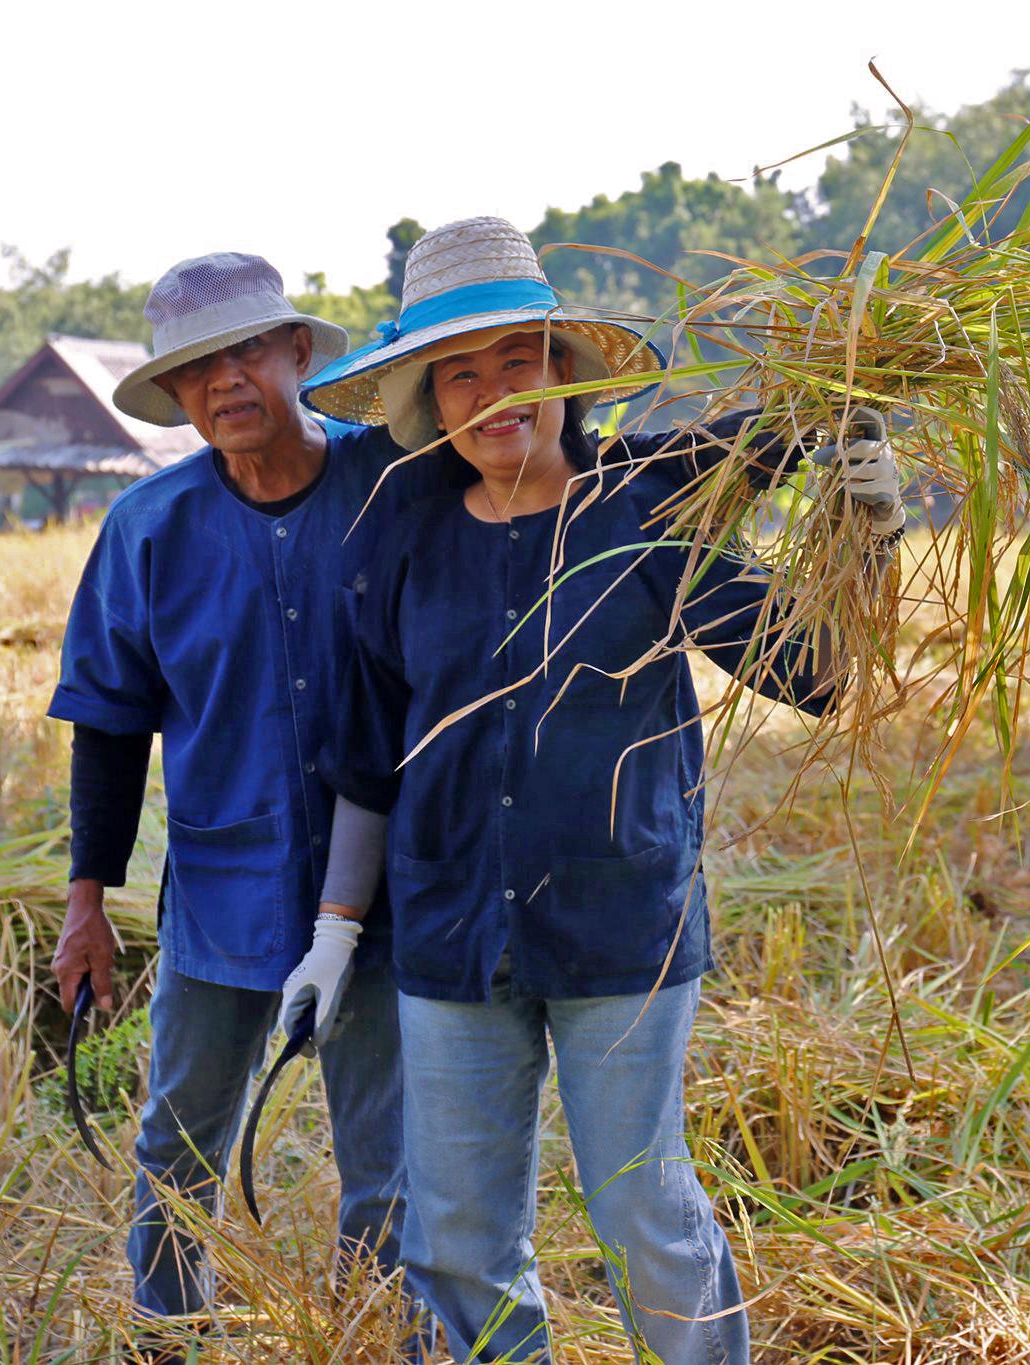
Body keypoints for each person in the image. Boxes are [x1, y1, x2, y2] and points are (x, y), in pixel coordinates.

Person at [46, 250, 800, 1345]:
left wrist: (809, 453)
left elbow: (608, 485)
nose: (225, 382)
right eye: (196, 368)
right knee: (240, 1160)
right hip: (300, 897)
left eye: (247, 350)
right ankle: (173, 1336)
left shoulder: (467, 489)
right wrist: (103, 900)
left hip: (511, 907)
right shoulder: (202, 527)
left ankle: (395, 1340)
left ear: (297, 351)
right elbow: (137, 725)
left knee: (496, 1185)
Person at [301, 217, 905, 1364]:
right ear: (432, 403)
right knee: (458, 1237)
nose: (494, 394)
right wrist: (335, 933)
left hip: (621, 926)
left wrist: (865, 539)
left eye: (516, 360)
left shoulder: (643, 513)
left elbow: (816, 675)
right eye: (460, 374)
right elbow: (368, 757)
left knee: (641, 1213)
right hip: (448, 933)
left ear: (563, 373)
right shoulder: (400, 540)